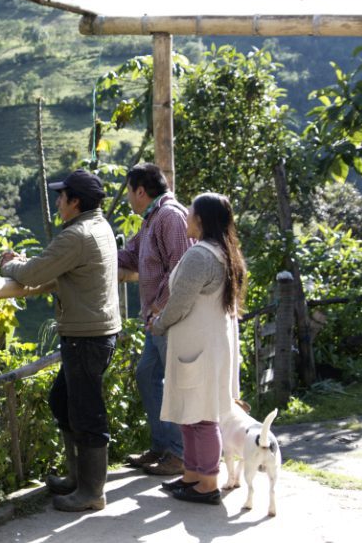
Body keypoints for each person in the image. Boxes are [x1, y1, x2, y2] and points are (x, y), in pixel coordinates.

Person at [0, 169, 121, 512]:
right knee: (63, 401)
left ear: (75, 201)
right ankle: (79, 480)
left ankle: (91, 492)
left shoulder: (78, 235)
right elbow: (49, 268)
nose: (57, 201)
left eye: (62, 196)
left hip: (86, 337)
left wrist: (10, 264)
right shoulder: (99, 226)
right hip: (95, 333)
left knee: (87, 412)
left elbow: (31, 274)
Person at [150, 192, 246, 505]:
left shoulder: (200, 256)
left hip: (197, 348)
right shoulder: (222, 253)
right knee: (192, 412)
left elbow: (179, 302)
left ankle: (207, 482)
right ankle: (192, 476)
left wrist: (159, 323)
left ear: (201, 220)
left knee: (201, 416)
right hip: (208, 347)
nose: (186, 218)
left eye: (190, 212)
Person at [118, 163, 194, 476]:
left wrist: (159, 308)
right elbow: (129, 256)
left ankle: (178, 453)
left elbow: (181, 269)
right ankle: (163, 446)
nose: (127, 198)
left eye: (128, 190)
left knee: (172, 382)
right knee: (147, 375)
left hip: (167, 318)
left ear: (140, 190)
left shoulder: (169, 216)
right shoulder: (151, 218)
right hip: (155, 320)